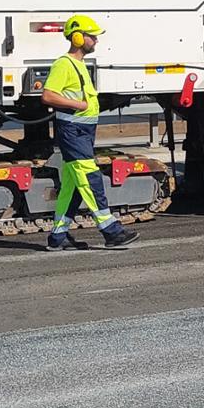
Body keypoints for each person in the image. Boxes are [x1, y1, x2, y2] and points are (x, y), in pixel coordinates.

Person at [40, 15, 139, 251]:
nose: (96, 40)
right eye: (91, 36)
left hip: (82, 132)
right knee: (90, 180)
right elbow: (48, 96)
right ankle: (111, 230)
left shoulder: (79, 65)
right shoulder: (64, 64)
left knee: (72, 188)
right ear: (77, 37)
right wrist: (79, 105)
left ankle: (58, 237)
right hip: (72, 133)